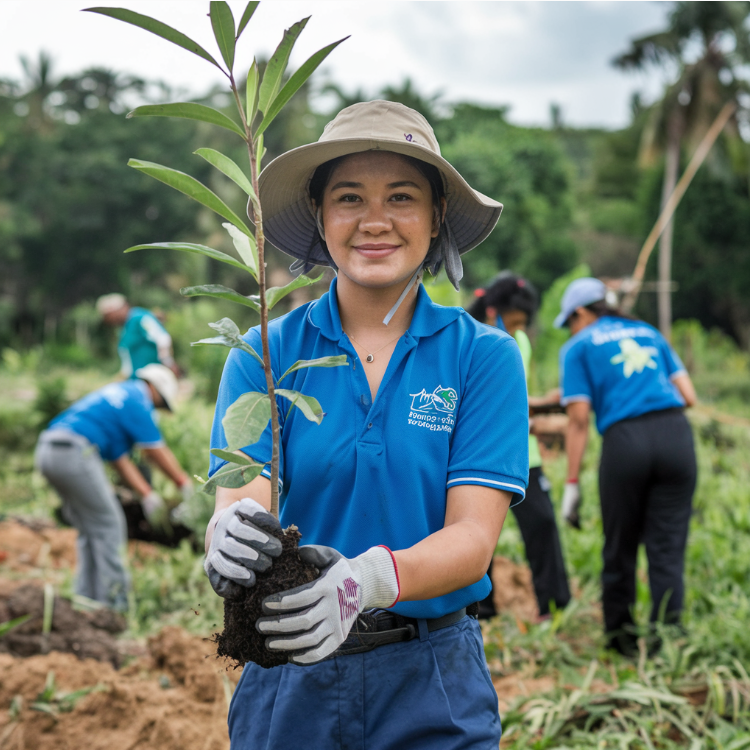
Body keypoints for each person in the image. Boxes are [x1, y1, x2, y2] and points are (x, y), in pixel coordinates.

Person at [204, 100, 530, 749]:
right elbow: (244, 496)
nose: (374, 221)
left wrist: (368, 581)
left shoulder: (482, 356)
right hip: (289, 673)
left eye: (401, 197)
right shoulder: (264, 355)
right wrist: (227, 530)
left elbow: (472, 536)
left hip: (432, 677)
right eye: (349, 197)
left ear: (436, 217)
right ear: (321, 218)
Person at [555, 277, 697, 655]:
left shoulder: (577, 347)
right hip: (676, 437)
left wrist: (571, 483)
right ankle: (666, 643)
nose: (571, 328)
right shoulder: (647, 331)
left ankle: (621, 642)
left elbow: (579, 419)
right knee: (666, 548)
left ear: (582, 313)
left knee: (619, 547)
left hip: (626, 444)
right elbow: (689, 395)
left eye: (570, 320)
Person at [35, 364, 193, 611]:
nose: (157, 409)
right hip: (74, 451)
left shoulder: (117, 396)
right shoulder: (136, 397)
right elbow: (154, 449)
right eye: (160, 403)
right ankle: (116, 606)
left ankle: (87, 599)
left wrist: (147, 494)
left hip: (48, 450)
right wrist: (183, 482)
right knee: (110, 524)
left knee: (90, 528)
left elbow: (120, 460)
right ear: (154, 388)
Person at [468, 272, 571, 620]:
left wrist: (544, 402)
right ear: (493, 311)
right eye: (513, 322)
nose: (518, 329)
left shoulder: (520, 342)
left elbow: (517, 396)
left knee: (542, 522)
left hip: (522, 451)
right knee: (473, 529)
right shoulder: (466, 338)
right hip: (474, 451)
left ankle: (553, 605)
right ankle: (481, 607)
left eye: (522, 324)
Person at [96, 293, 179, 378]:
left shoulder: (140, 318)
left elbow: (162, 339)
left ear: (119, 309)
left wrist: (168, 363)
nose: (108, 321)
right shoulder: (124, 328)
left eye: (108, 316)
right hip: (136, 379)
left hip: (152, 379)